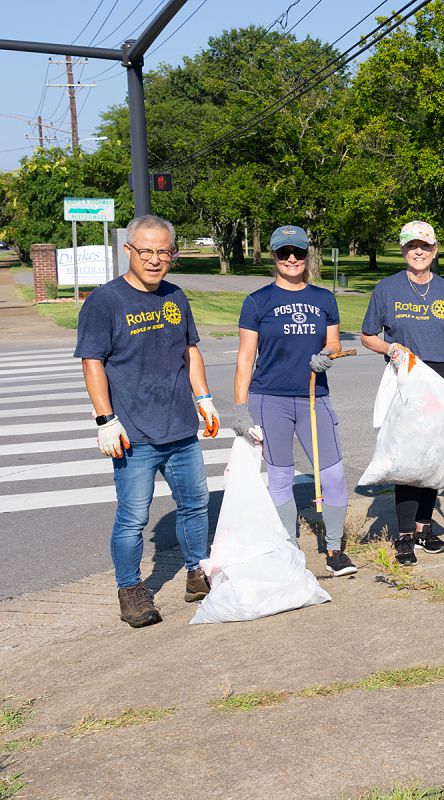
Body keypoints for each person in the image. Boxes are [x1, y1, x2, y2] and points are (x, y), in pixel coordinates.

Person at [75, 214, 220, 628]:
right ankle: (131, 591)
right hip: (133, 435)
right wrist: (106, 419)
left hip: (180, 427)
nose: (155, 260)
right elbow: (93, 363)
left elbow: (190, 351)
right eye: (146, 251)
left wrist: (204, 399)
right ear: (129, 251)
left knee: (194, 505)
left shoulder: (176, 296)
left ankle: (197, 574)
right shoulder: (105, 301)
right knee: (133, 517)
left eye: (163, 252)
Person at [230, 225, 356, 578]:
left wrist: (326, 355)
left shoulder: (323, 298)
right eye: (284, 252)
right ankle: (288, 548)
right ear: (273, 255)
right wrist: (240, 407)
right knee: (281, 476)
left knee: (332, 475)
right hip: (270, 398)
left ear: (306, 255)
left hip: (315, 397)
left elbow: (333, 342)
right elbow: (245, 358)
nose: (291, 259)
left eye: (298, 252)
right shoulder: (257, 301)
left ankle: (334, 548)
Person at [362, 221, 444, 565]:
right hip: (405, 376)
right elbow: (368, 335)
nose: (418, 251)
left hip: (440, 378)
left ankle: (425, 528)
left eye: (424, 246)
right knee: (408, 456)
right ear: (403, 250)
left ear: (434, 250)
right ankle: (405, 535)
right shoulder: (387, 288)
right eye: (412, 246)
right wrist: (390, 347)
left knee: (433, 455)